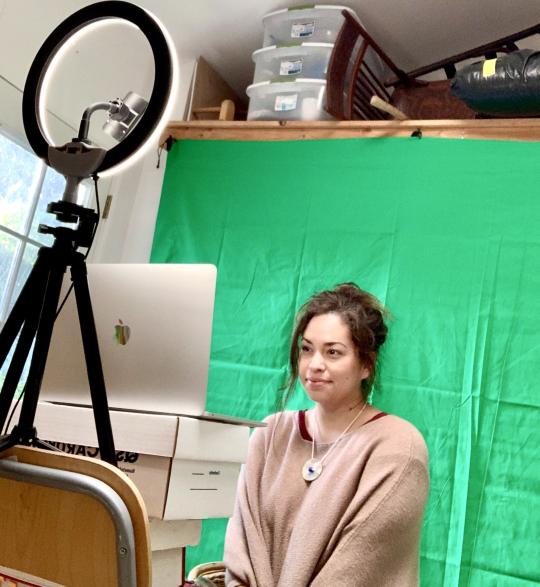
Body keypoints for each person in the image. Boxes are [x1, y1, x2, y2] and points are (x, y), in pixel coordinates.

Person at [224, 283, 429, 587]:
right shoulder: (270, 434)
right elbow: (242, 549)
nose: (315, 365)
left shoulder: (399, 447)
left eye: (333, 352)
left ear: (366, 365)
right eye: (307, 349)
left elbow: (357, 570)